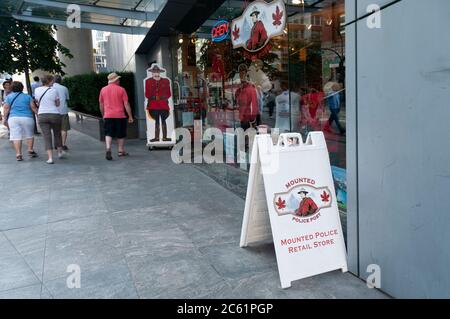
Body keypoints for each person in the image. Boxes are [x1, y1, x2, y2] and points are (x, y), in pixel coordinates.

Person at [99, 73, 134, 161]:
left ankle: (108, 149)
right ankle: (120, 151)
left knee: (108, 133)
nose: (119, 81)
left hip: (108, 115)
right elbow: (126, 103)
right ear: (115, 80)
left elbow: (101, 104)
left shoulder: (103, 90)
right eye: (118, 80)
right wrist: (130, 116)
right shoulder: (121, 89)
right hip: (120, 115)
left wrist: (103, 115)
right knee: (120, 133)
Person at [1, 81, 38, 161]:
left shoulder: (9, 97)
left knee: (16, 136)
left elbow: (6, 108)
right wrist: (38, 114)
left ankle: (18, 154)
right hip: (27, 117)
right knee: (30, 134)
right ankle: (30, 150)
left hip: (13, 118)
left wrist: (5, 119)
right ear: (22, 87)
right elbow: (33, 107)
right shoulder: (27, 97)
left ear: (12, 88)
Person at [35, 74, 66, 164]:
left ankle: (50, 158)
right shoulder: (54, 91)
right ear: (49, 81)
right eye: (52, 80)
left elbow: (37, 101)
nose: (53, 82)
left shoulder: (37, 90)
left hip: (42, 115)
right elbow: (57, 104)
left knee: (47, 136)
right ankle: (59, 153)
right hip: (54, 114)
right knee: (57, 134)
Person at [145, 64, 172, 142]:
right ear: (152, 73)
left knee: (163, 120)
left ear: (159, 72)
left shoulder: (166, 81)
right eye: (154, 72)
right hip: (153, 105)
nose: (156, 73)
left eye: (157, 72)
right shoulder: (148, 81)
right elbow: (147, 94)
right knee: (156, 120)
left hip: (163, 105)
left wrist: (162, 97)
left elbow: (168, 93)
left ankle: (165, 137)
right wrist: (154, 97)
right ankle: (156, 137)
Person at [235, 64, 259, 130]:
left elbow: (253, 105)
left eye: (243, 73)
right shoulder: (239, 90)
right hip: (243, 118)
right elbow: (237, 102)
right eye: (240, 73)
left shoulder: (251, 89)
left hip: (248, 120)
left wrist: (252, 119)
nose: (241, 75)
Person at [53, 75, 70, 150]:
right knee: (64, 129)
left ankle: (57, 144)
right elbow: (67, 99)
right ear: (60, 81)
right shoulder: (64, 88)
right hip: (63, 111)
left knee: (56, 129)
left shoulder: (50, 88)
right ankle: (63, 144)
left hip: (53, 111)